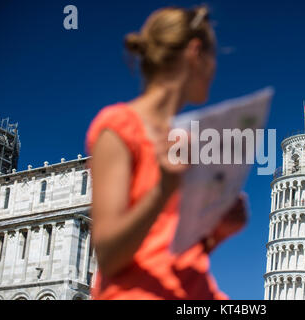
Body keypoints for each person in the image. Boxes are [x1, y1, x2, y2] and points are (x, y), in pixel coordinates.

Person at [85, 6, 248, 300]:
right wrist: (163, 189)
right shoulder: (118, 126)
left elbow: (165, 246)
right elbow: (108, 255)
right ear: (195, 53)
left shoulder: (183, 140)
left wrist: (218, 230)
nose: (215, 69)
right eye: (213, 58)